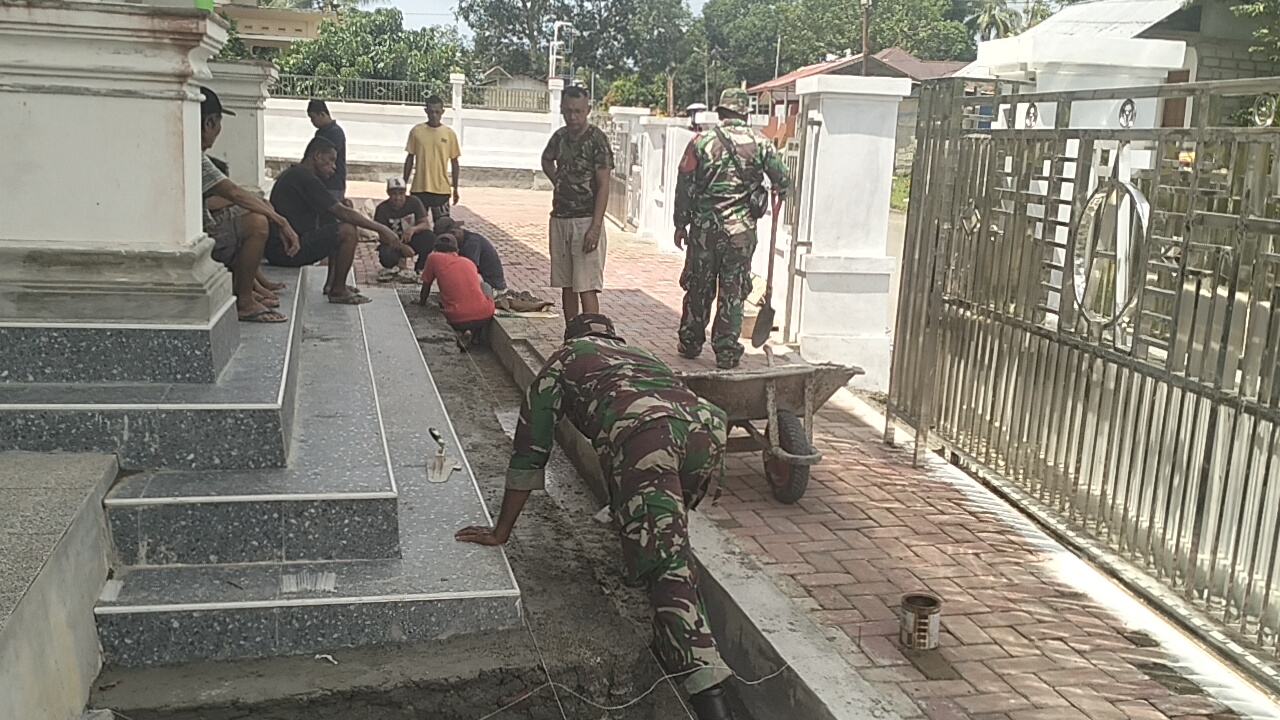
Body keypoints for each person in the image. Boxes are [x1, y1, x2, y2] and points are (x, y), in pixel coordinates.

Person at [455, 314, 736, 720]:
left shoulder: (563, 361)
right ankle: (667, 634)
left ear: (570, 338)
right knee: (665, 541)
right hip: (706, 430)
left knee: (666, 566)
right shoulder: (638, 353)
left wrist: (502, 531)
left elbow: (530, 453)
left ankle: (709, 693)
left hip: (646, 436)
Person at [673, 88, 791, 370]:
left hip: (704, 231)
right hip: (740, 233)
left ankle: (690, 342)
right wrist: (775, 190)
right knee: (733, 290)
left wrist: (680, 223)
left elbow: (685, 184)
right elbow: (784, 181)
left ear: (721, 112)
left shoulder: (701, 142)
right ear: (745, 113)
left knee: (699, 286)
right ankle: (726, 352)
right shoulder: (760, 144)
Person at [198, 87, 301, 323]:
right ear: (209, 124)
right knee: (256, 223)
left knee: (254, 210)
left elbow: (233, 193)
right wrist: (281, 222)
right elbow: (233, 192)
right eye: (218, 123)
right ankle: (244, 301)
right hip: (199, 235)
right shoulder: (194, 156)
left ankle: (251, 288)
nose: (219, 130)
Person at [267, 136, 404, 305]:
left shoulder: (298, 175)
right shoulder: (303, 177)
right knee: (348, 231)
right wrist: (382, 229)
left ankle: (332, 283)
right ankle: (338, 291)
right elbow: (342, 213)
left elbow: (334, 209)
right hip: (286, 251)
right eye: (331, 160)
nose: (334, 167)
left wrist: (343, 207)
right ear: (317, 155)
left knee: (333, 219)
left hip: (288, 246)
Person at [541, 86, 614, 325]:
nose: (572, 117)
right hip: (560, 217)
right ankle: (572, 334)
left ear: (588, 110)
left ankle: (592, 334)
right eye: (568, 111)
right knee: (567, 284)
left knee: (587, 286)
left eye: (578, 111)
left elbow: (604, 185)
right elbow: (546, 159)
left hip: (585, 220)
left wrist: (595, 227)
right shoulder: (560, 137)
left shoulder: (597, 140)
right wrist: (559, 182)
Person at [414, 231, 495, 350]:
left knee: (455, 305)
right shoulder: (468, 262)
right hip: (484, 315)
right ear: (457, 250)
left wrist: (421, 303)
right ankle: (475, 336)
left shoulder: (433, 257)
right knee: (485, 286)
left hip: (457, 319)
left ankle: (465, 332)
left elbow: (426, 285)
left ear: (435, 249)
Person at [403, 95, 461, 222]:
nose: (434, 115)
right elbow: (410, 158)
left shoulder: (449, 134)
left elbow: (454, 162)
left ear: (442, 112)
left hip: (441, 190)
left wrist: (455, 188)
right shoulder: (416, 131)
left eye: (437, 112)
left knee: (443, 226)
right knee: (418, 226)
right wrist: (403, 183)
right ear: (426, 111)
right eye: (431, 111)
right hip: (419, 188)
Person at [374, 177, 433, 280]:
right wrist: (401, 246)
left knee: (429, 237)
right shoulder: (382, 209)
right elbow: (382, 236)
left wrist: (413, 229)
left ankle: (420, 267)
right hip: (393, 242)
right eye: (394, 194)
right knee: (386, 255)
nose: (398, 198)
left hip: (412, 238)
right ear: (388, 193)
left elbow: (425, 224)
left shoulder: (414, 202)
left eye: (401, 194)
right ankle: (395, 266)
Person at [432, 217, 508, 297]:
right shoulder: (461, 240)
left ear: (453, 233)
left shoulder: (472, 243)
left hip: (492, 286)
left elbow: (469, 271)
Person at [307, 99, 347, 203]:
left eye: (313, 118)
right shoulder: (321, 132)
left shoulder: (335, 133)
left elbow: (327, 157)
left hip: (333, 182)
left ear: (322, 114)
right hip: (321, 181)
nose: (312, 122)